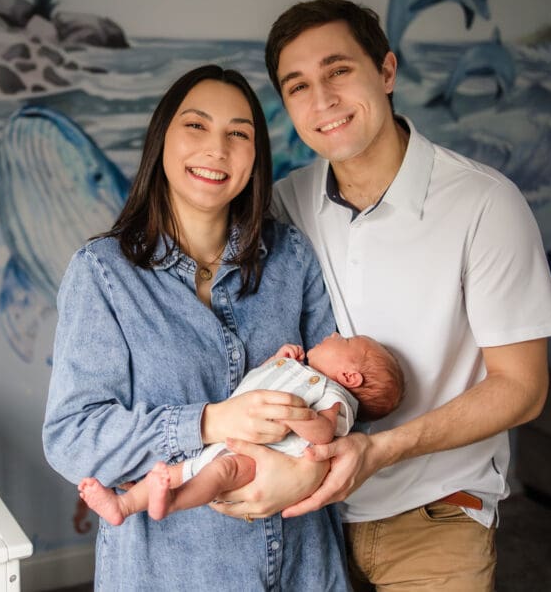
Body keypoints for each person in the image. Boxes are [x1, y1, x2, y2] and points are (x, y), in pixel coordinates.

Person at [207, 0, 551, 591]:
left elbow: (522, 389)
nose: (321, 100)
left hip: (435, 514)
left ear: (388, 71)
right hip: (305, 521)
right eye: (298, 86)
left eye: (339, 71)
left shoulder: (484, 205)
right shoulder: (283, 204)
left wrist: (379, 452)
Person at [42, 64, 352, 590]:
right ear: (161, 138)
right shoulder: (102, 273)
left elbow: (341, 392)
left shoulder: (291, 258)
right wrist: (208, 423)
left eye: (239, 133)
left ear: (255, 156)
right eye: (196, 126)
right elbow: (72, 438)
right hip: (169, 573)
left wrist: (307, 469)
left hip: (304, 567)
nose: (217, 149)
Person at [77, 332, 404, 526]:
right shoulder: (298, 367)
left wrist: (294, 416)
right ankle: (123, 506)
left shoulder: (334, 398)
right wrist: (278, 359)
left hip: (260, 458)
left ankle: (173, 502)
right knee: (174, 471)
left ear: (350, 378)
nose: (333, 334)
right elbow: (258, 381)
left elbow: (323, 434)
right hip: (230, 439)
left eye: (344, 340)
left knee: (219, 471)